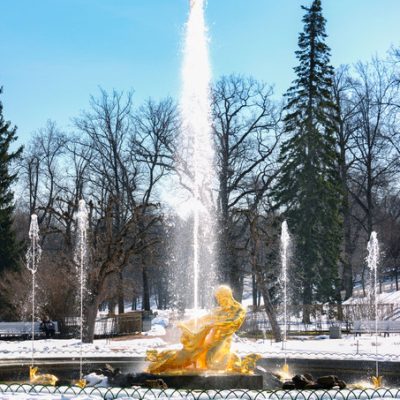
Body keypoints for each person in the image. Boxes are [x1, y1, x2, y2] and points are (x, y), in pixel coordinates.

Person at [146, 285, 259, 374]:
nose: (219, 301)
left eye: (221, 298)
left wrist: (215, 324)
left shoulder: (239, 309)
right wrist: (187, 323)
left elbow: (234, 321)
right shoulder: (218, 310)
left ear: (228, 296)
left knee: (211, 362)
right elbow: (204, 318)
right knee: (195, 353)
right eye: (218, 299)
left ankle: (237, 362)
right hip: (210, 339)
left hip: (222, 340)